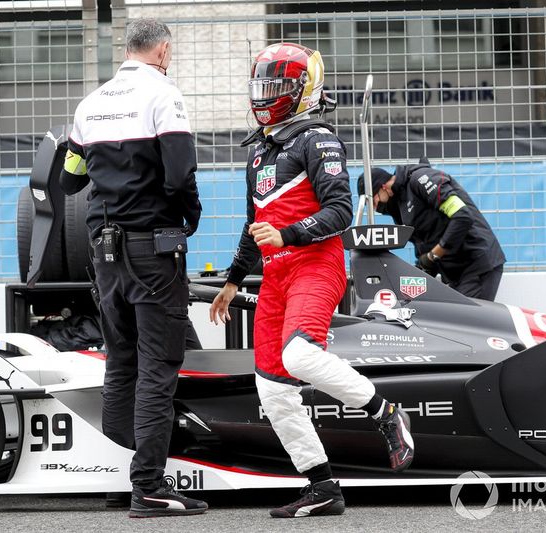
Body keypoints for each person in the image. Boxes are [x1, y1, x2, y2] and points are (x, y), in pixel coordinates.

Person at [209, 43, 414, 519]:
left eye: (278, 86)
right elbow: (253, 223)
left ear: (305, 90)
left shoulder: (319, 139)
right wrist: (234, 278)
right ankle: (323, 488)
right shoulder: (259, 149)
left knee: (300, 355)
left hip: (315, 265)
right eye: (263, 86)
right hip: (276, 275)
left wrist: (285, 235)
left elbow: (342, 212)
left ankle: (385, 412)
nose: (267, 95)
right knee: (274, 391)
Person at [59, 18, 206, 517]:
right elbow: (181, 170)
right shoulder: (163, 95)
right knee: (159, 366)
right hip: (152, 248)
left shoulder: (90, 103)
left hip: (104, 252)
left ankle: (121, 473)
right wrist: (189, 215)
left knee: (121, 363)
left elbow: (69, 179)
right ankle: (150, 485)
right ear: (162, 51)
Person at [358, 161, 506, 301]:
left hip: (476, 262)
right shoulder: (398, 204)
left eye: (373, 201)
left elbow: (462, 217)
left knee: (466, 323)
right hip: (455, 272)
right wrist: (422, 268)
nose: (375, 208)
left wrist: (433, 256)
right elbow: (425, 242)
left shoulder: (420, 179)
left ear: (382, 187)